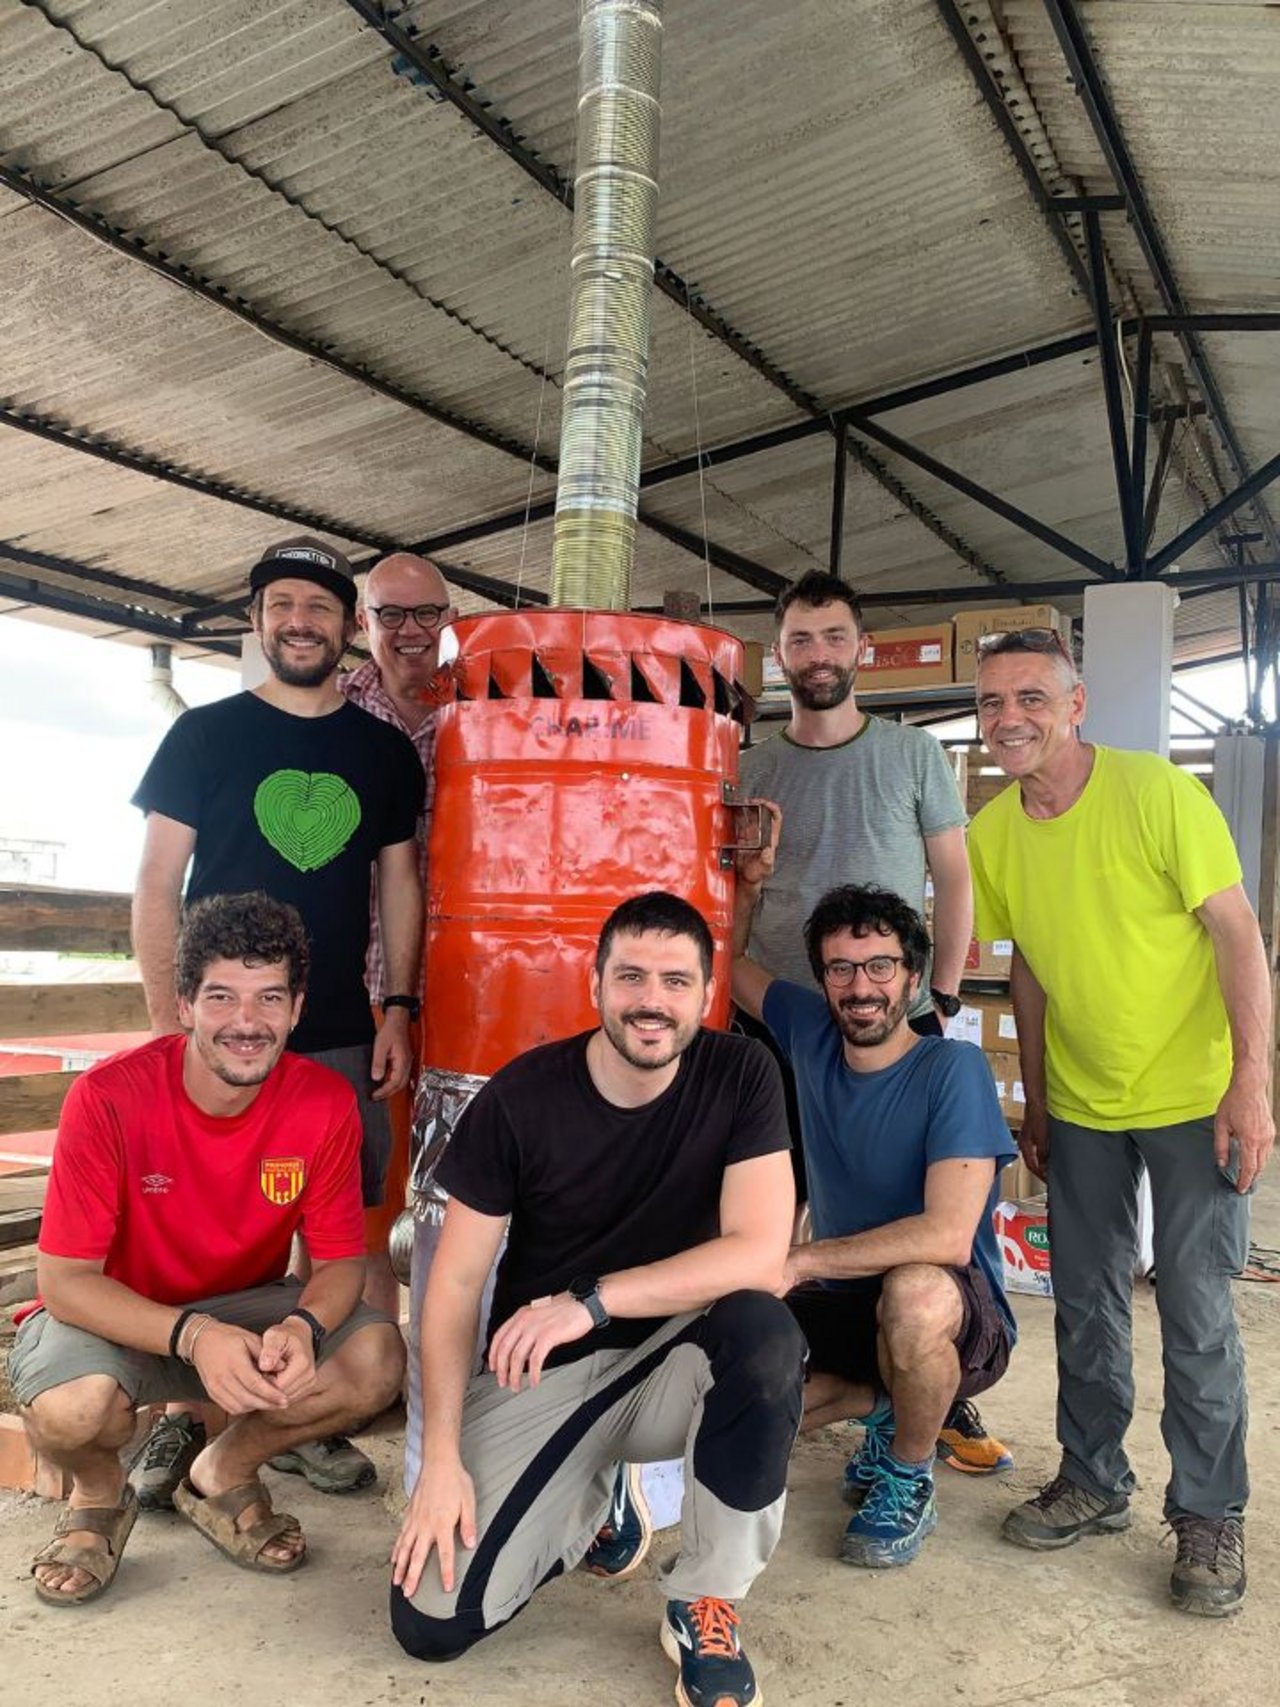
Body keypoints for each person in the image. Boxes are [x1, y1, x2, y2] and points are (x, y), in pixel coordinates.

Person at [390, 892, 804, 1707]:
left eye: (676, 981)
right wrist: (439, 1458)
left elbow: (761, 1252)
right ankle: (594, 1492)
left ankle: (705, 1599)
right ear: (595, 984)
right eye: (632, 976)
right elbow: (454, 1286)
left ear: (707, 992)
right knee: (432, 1622)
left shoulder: (742, 1073)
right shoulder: (522, 1097)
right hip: (546, 1373)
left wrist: (593, 1299)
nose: (653, 1000)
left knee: (766, 1332)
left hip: (679, 1358)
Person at [968, 627, 1273, 1617]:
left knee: (1193, 1307)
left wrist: (1251, 1083)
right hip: (1085, 1104)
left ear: (1075, 704)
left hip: (1191, 1098)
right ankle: (1093, 1477)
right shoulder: (994, 830)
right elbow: (1025, 965)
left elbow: (1236, 932)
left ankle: (1208, 1512)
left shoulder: (1156, 793)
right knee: (1085, 1301)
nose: (1008, 718)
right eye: (991, 702)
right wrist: (1038, 1096)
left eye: (1030, 697)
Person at [129, 535, 425, 1501]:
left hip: (337, 1023)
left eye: (320, 607)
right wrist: (171, 1023)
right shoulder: (204, 736)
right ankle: (184, 1413)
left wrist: (398, 1006)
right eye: (283, 605)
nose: (301, 622)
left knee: (332, 1226)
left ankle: (291, 1413)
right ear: (258, 620)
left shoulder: (381, 751)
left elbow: (399, 885)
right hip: (216, 1028)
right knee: (200, 1219)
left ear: (348, 627)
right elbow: (156, 882)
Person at [12, 892, 405, 1606]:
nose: (246, 1022)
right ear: (185, 1005)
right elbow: (65, 1281)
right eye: (221, 996)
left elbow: (340, 1260)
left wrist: (302, 1327)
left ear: (296, 1008)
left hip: (244, 1304)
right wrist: (196, 1335)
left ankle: (222, 1469)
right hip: (115, 1313)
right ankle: (98, 1497)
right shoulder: (108, 1096)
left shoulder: (323, 1101)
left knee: (375, 1359)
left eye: (269, 997)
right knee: (71, 1410)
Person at [739, 567, 1009, 1477]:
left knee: (913, 1221)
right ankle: (832, 1360)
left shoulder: (912, 753)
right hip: (779, 1016)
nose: (817, 654)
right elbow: (732, 893)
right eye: (800, 639)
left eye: (833, 636)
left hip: (894, 1020)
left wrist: (943, 999)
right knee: (774, 1199)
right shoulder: (753, 766)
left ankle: (934, 1378)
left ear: (862, 648)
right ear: (780, 656)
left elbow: (954, 878)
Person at [732, 858, 1016, 1569]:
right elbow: (727, 964)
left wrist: (799, 1259)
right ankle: (888, 1405)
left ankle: (908, 1473)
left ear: (914, 979)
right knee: (743, 1391)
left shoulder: (951, 1070)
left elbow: (948, 1236)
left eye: (881, 966)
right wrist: (752, 885)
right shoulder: (808, 1030)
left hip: (954, 1314)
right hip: (844, 1302)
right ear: (823, 979)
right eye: (842, 969)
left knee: (912, 1295)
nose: (861, 987)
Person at [339, 551, 457, 1323]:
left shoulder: (485, 706)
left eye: (427, 613)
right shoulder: (333, 714)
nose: (411, 630)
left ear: (450, 618)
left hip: (464, 986)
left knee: (466, 1181)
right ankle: (367, 1350)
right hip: (361, 987)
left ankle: (453, 1349)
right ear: (363, 621)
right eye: (391, 614)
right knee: (360, 1188)